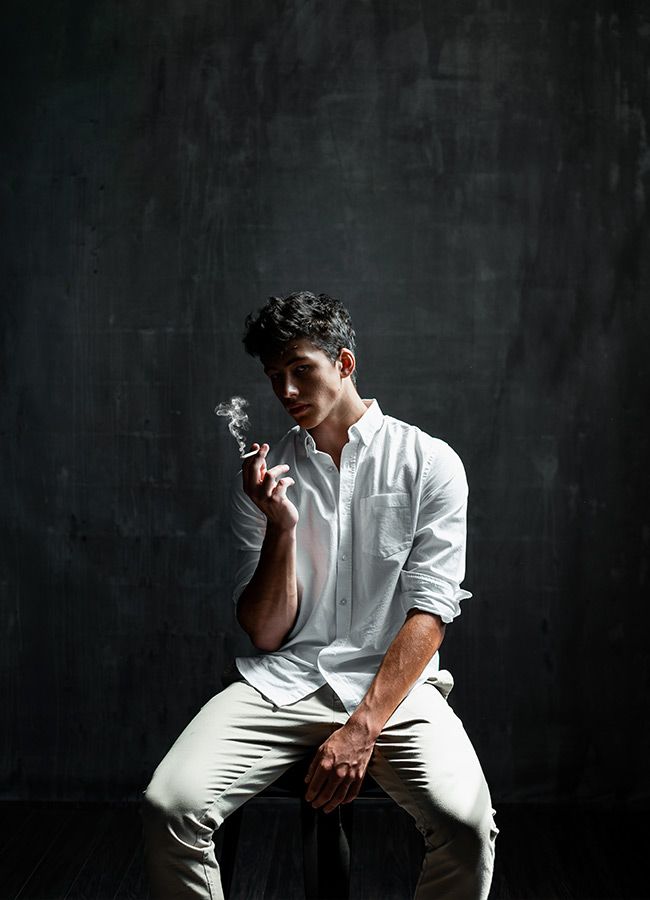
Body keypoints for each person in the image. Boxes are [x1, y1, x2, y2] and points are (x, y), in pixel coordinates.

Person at [141, 291, 499, 899]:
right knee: (167, 806)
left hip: (396, 692)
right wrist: (280, 527)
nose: (285, 391)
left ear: (344, 363)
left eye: (300, 369)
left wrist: (362, 727)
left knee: (467, 828)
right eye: (274, 376)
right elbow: (265, 633)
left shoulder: (429, 463)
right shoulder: (264, 478)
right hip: (285, 683)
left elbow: (432, 612)